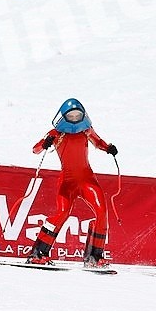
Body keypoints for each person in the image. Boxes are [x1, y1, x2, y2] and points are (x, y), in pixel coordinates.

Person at [27, 97, 119, 268]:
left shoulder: (86, 130)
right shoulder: (56, 133)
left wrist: (108, 148)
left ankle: (94, 257)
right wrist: (45, 143)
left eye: (78, 115)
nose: (75, 119)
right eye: (71, 116)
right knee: (61, 214)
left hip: (87, 181)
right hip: (68, 182)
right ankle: (37, 254)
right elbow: (35, 149)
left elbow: (98, 141)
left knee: (102, 212)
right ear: (63, 116)